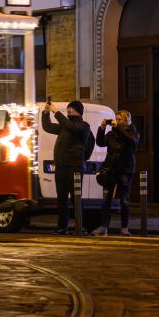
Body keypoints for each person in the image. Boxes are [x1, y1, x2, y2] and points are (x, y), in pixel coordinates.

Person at [41, 100, 94, 234]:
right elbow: (47, 127)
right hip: (61, 167)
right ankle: (62, 227)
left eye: (72, 108)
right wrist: (46, 113)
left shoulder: (84, 126)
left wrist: (56, 112)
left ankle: (81, 227)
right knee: (62, 199)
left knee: (76, 198)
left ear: (79, 111)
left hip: (75, 167)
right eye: (68, 108)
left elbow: (71, 127)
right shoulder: (65, 126)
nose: (69, 110)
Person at [94, 110, 139, 236]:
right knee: (106, 200)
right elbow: (100, 142)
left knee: (124, 200)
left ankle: (124, 227)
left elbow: (131, 141)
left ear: (127, 120)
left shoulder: (133, 133)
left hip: (125, 170)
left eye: (120, 120)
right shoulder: (111, 134)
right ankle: (104, 227)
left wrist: (118, 128)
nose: (117, 122)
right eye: (116, 119)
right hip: (110, 170)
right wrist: (102, 128)